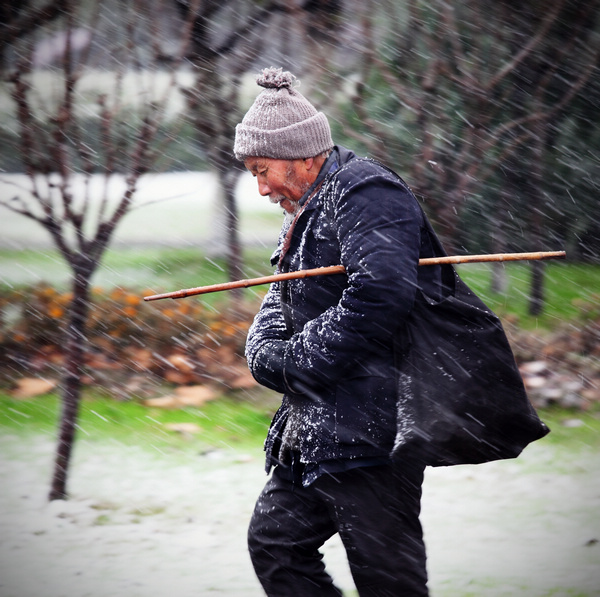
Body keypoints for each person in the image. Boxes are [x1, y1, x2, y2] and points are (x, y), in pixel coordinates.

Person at [234, 66, 440, 597]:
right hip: (315, 430)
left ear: (303, 156)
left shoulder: (367, 193)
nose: (260, 188)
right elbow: (283, 294)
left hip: (372, 428)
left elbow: (381, 295)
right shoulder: (305, 203)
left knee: (387, 579)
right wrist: (264, 349)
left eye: (263, 170)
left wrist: (296, 361)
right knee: (276, 546)